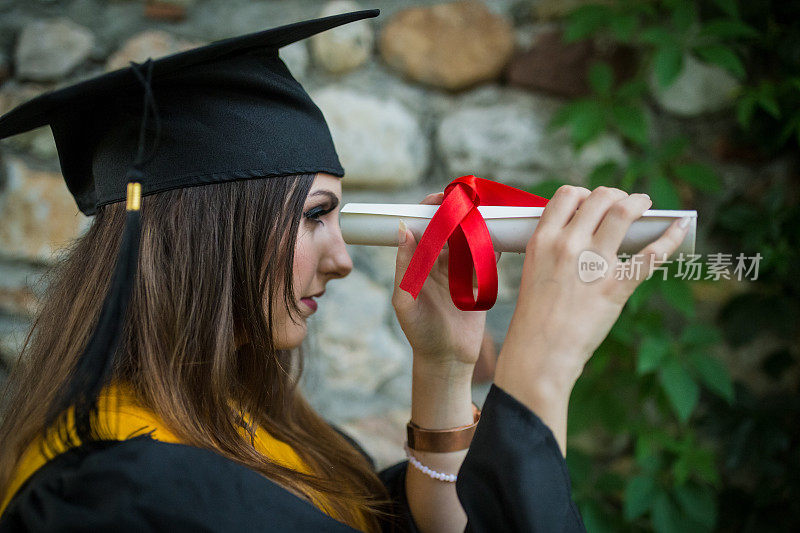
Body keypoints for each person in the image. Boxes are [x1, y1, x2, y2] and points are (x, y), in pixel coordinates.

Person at [0, 8, 692, 533]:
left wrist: (445, 370)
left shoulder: (239, 422)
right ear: (208, 236)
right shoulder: (114, 492)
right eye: (314, 215)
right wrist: (541, 370)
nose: (340, 259)